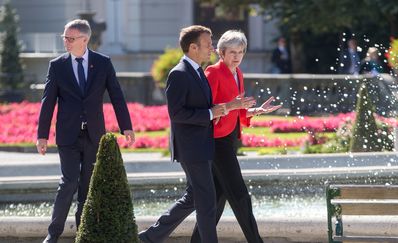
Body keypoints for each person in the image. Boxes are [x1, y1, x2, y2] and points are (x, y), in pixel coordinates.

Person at [138, 25, 240, 243]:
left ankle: (149, 238)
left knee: (194, 198)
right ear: (193, 47)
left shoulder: (197, 71)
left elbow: (205, 107)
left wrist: (225, 108)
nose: (211, 48)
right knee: (207, 202)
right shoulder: (179, 74)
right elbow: (176, 114)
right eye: (207, 44)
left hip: (201, 145)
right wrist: (210, 113)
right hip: (192, 147)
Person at [36, 19, 135, 243]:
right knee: (69, 182)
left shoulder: (103, 63)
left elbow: (116, 95)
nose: (66, 42)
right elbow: (47, 102)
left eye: (70, 38)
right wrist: (42, 135)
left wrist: (126, 126)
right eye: (65, 37)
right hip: (68, 134)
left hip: (94, 135)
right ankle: (53, 234)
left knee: (87, 185)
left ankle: (83, 233)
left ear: (85, 39)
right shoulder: (57, 65)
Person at [190, 30, 282, 243]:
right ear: (221, 52)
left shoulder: (238, 73)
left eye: (240, 52)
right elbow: (207, 108)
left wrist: (257, 110)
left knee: (217, 200)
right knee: (240, 196)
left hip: (228, 140)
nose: (237, 56)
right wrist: (232, 106)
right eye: (232, 52)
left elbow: (238, 111)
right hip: (215, 142)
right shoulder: (212, 72)